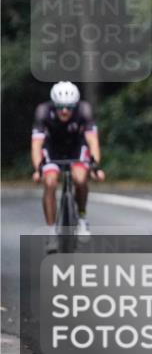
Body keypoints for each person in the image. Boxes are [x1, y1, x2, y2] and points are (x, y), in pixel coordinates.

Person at [31, 82, 106, 251]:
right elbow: (36, 145)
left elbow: (93, 142)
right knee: (50, 182)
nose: (64, 111)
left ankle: (81, 218)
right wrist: (37, 169)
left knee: (80, 179)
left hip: (76, 147)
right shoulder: (43, 112)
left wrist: (95, 167)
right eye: (60, 107)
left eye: (69, 107)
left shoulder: (84, 111)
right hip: (53, 149)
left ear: (75, 106)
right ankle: (51, 233)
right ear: (54, 105)